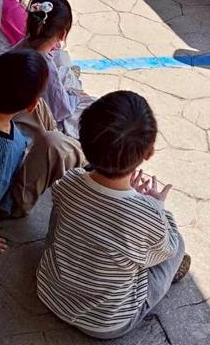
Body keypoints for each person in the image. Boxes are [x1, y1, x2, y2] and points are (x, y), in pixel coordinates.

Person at [37, 91, 190, 339]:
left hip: (50, 291)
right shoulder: (146, 214)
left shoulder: (69, 180)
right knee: (177, 244)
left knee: (63, 207)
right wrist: (157, 207)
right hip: (105, 324)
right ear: (149, 152)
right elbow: (167, 249)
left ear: (83, 142)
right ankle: (162, 277)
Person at [0, 50, 82, 259]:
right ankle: (89, 165)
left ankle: (58, 138)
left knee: (50, 134)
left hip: (1, 143)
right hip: (10, 200)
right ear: (30, 105)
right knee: (56, 145)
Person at [15, 0, 92, 137]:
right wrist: (76, 96)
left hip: (17, 107)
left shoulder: (21, 45)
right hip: (28, 121)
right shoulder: (45, 65)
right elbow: (61, 111)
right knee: (90, 105)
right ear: (62, 34)